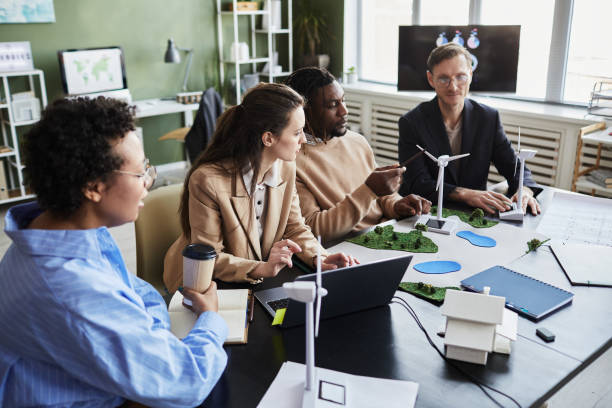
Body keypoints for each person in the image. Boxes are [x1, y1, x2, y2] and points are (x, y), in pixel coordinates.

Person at [0, 97, 228, 407]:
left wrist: (145, 341)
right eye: (139, 173)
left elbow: (140, 295)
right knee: (221, 379)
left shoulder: (56, 231)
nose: (148, 181)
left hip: (98, 380)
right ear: (93, 187)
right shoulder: (70, 287)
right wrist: (211, 318)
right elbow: (187, 379)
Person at [163, 83, 356, 293]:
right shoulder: (207, 181)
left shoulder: (286, 168)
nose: (304, 139)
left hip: (254, 282)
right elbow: (211, 257)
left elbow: (294, 227)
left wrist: (319, 257)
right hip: (204, 284)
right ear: (268, 138)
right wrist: (262, 268)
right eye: (297, 132)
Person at [284, 67, 431, 243]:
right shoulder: (291, 161)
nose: (344, 111)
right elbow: (313, 229)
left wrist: (397, 205)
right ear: (304, 113)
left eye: (343, 101)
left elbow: (380, 198)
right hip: (345, 248)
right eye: (332, 105)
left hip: (383, 232)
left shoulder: (357, 141)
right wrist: (369, 190)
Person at [398, 43, 542, 215]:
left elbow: (515, 168)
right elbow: (417, 183)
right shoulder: (411, 122)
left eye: (460, 77)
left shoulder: (488, 118)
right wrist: (464, 194)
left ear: (471, 75)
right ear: (431, 79)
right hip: (426, 211)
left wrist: (524, 190)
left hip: (475, 214)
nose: (453, 86)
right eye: (444, 78)